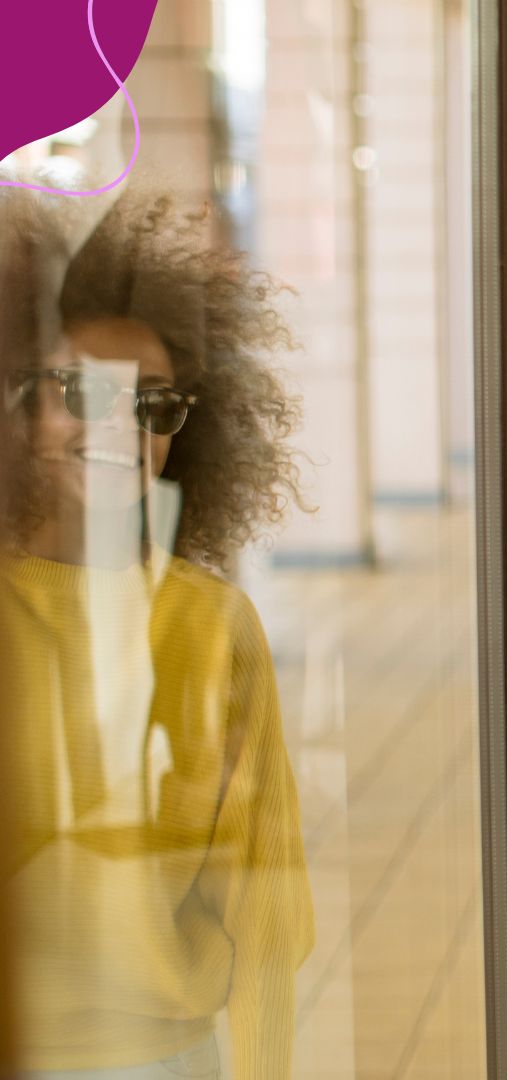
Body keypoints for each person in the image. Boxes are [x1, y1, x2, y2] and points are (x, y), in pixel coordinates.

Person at [0, 189, 313, 1080]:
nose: (119, 430)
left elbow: (266, 918)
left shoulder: (212, 627)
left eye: (154, 405)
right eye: (79, 391)